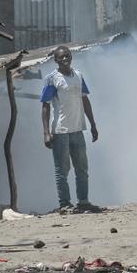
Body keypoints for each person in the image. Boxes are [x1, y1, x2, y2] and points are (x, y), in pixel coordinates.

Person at [41, 45, 100, 213]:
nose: (65, 59)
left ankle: (83, 201)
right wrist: (46, 133)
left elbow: (85, 100)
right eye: (61, 57)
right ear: (56, 60)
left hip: (78, 128)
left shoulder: (79, 76)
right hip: (60, 131)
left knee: (82, 168)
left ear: (71, 57)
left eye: (67, 56)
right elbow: (45, 106)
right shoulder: (52, 79)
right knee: (62, 170)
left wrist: (93, 124)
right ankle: (65, 204)